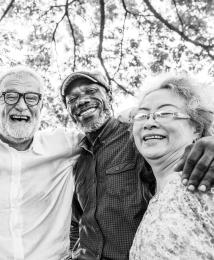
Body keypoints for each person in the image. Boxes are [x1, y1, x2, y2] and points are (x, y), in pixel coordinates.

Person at [60, 70, 214, 260]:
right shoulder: (76, 161)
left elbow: (185, 140)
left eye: (91, 91)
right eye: (72, 99)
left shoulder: (138, 138)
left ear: (109, 96)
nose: (81, 101)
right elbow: (77, 221)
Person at [0, 66, 82, 260]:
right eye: (10, 96)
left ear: (41, 106)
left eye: (31, 98)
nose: (21, 106)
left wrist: (133, 115)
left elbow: (108, 132)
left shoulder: (66, 146)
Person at [129, 73, 214, 259]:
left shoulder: (205, 182)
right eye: (142, 115)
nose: (150, 123)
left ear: (197, 128)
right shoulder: (154, 201)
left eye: (165, 113)